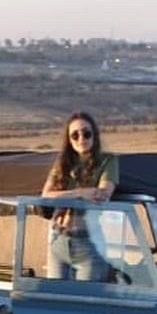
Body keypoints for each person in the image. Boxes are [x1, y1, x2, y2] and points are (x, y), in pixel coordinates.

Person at [41, 111, 119, 280]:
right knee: (54, 293)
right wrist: (82, 193)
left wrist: (62, 196)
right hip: (59, 240)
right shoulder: (62, 163)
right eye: (75, 135)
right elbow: (46, 196)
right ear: (69, 140)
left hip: (89, 242)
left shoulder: (107, 161)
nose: (81, 139)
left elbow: (102, 195)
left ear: (94, 135)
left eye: (86, 133)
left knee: (86, 295)